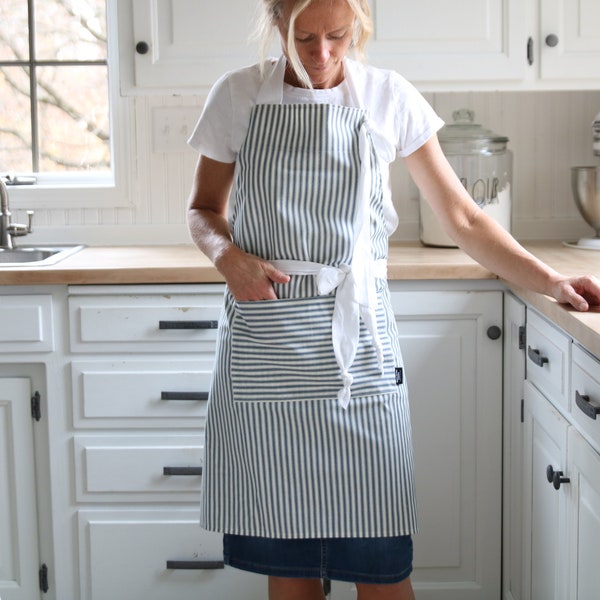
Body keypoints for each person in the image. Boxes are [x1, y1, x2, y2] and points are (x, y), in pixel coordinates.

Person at [186, 1, 600, 599]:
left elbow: (463, 217)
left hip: (360, 352)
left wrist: (551, 281)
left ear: (359, 28)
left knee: (383, 570)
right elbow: (203, 211)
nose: (322, 55)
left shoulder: (388, 96)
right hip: (269, 343)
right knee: (291, 573)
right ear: (278, 25)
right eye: (304, 37)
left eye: (337, 36)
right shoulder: (237, 96)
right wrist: (227, 258)